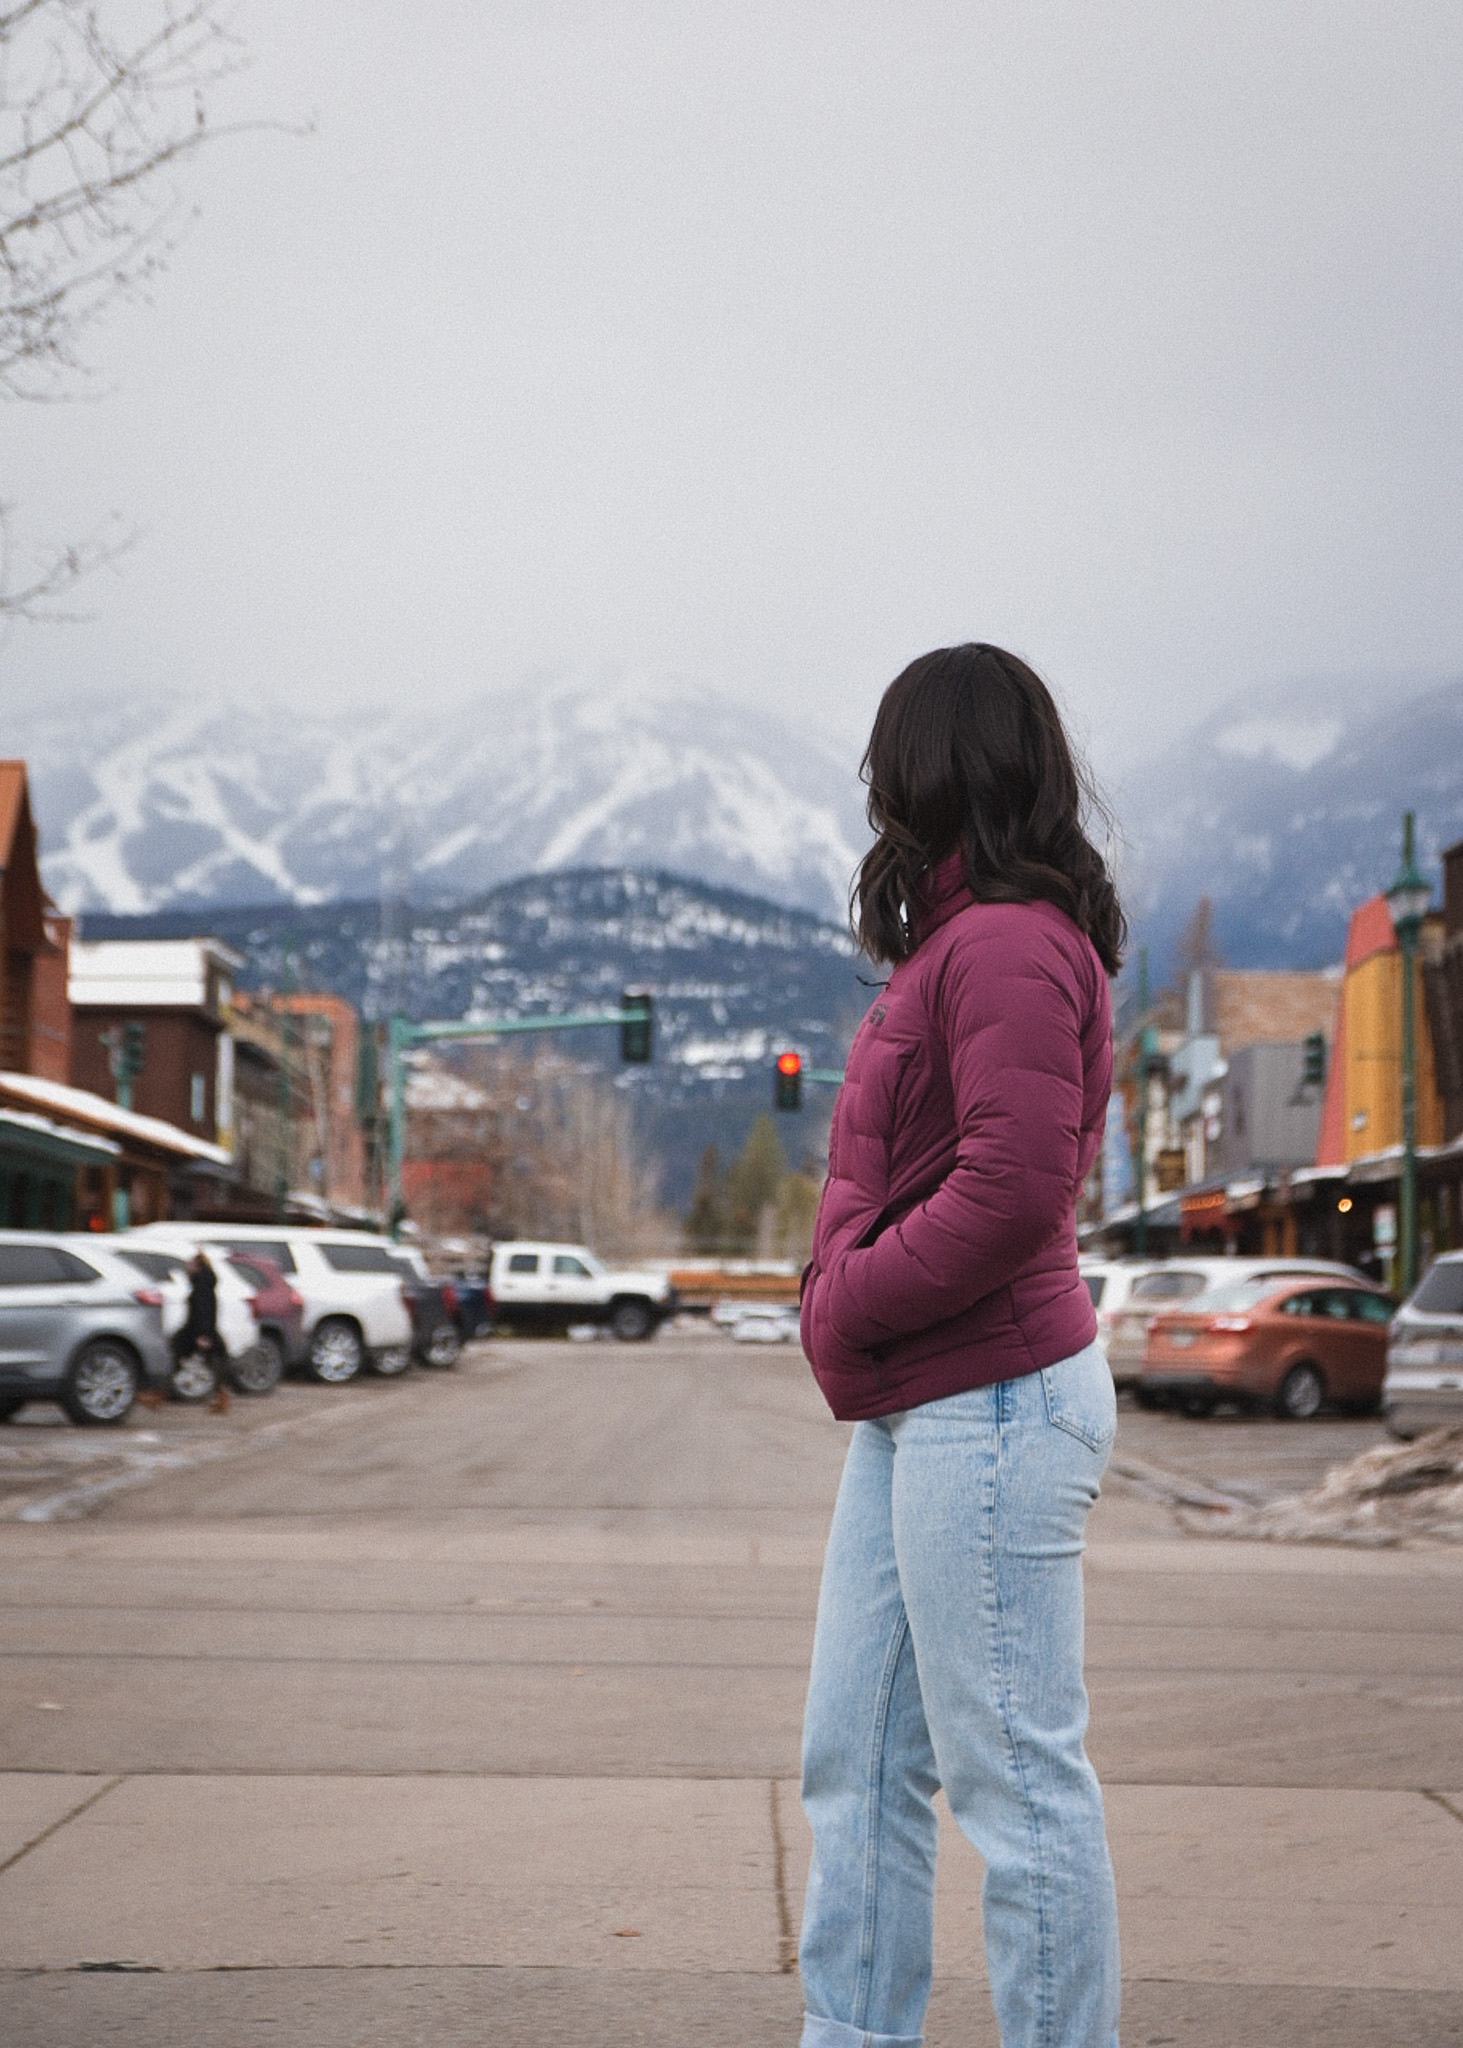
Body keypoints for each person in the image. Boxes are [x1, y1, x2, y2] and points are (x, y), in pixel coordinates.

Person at [797, 644, 1125, 2048]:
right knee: (856, 1765)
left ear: (932, 764)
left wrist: (846, 1298)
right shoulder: (962, 939)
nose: (875, 786)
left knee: (1016, 1790)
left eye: (889, 758)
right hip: (927, 1405)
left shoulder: (1000, 943)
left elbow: (1010, 1189)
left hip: (991, 1401)